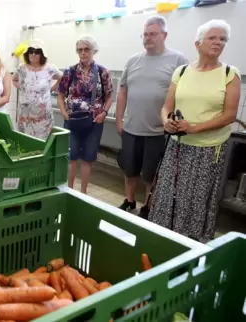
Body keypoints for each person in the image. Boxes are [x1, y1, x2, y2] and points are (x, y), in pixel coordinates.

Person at [149, 19, 240, 242]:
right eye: (213, 38)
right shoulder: (181, 72)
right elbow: (167, 107)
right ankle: (162, 237)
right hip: (178, 148)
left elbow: (229, 115)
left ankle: (189, 242)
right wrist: (166, 121)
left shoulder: (230, 73)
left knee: (196, 201)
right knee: (168, 195)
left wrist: (194, 128)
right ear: (198, 43)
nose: (218, 42)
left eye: (222, 39)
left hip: (208, 151)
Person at [115, 16, 189, 213]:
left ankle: (149, 206)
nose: (148, 38)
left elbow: (184, 93)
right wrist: (119, 120)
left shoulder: (178, 60)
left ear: (164, 35)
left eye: (153, 34)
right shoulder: (133, 60)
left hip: (158, 132)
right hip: (132, 128)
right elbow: (122, 91)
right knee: (129, 169)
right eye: (145, 34)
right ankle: (129, 201)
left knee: (151, 174)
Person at [57, 36, 113, 194]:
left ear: (93, 51)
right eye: (80, 50)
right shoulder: (70, 71)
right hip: (72, 120)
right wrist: (63, 112)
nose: (83, 53)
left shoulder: (102, 72)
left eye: (86, 49)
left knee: (88, 157)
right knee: (71, 156)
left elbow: (109, 96)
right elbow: (60, 94)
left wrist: (104, 113)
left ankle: (83, 192)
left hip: (94, 121)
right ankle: (69, 190)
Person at [12, 39, 62, 140]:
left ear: (42, 54)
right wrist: (24, 89)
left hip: (42, 117)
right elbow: (14, 80)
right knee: (25, 142)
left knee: (41, 144)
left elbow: (63, 78)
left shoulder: (49, 68)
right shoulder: (21, 68)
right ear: (27, 53)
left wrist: (51, 89)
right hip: (25, 114)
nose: (33, 54)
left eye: (37, 52)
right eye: (31, 51)